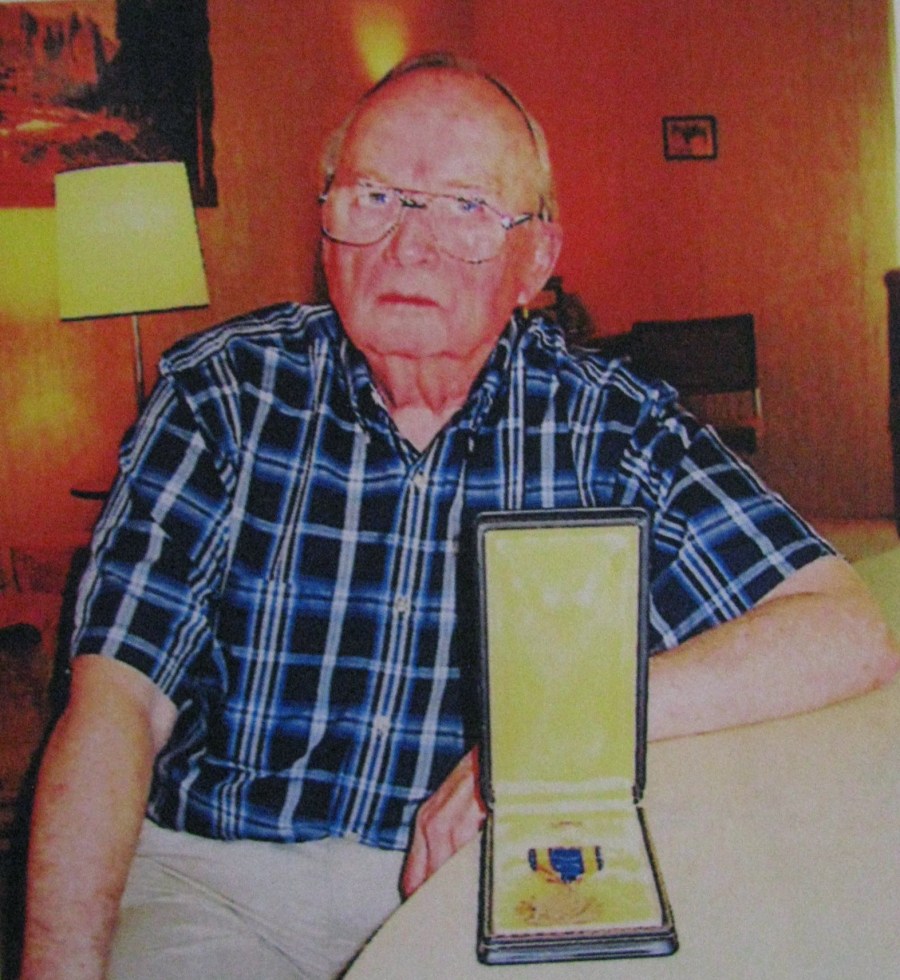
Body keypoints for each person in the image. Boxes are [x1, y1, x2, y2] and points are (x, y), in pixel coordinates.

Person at [21, 52, 899, 980]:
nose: (410, 246)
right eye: (375, 197)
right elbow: (114, 702)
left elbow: (843, 629)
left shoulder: (613, 425)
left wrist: (538, 743)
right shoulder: (221, 395)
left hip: (488, 883)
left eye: (468, 209)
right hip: (219, 882)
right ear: (326, 223)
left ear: (537, 260)